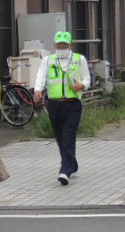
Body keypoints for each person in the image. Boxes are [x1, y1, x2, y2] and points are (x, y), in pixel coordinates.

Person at [33, 31, 91, 186]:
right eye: (59, 45)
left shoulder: (80, 59)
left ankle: (65, 170)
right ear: (54, 45)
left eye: (64, 45)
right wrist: (38, 90)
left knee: (68, 136)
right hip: (54, 104)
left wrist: (82, 85)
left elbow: (87, 78)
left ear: (70, 45)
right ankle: (72, 163)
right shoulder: (48, 60)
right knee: (60, 138)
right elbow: (41, 76)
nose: (62, 47)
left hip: (72, 104)